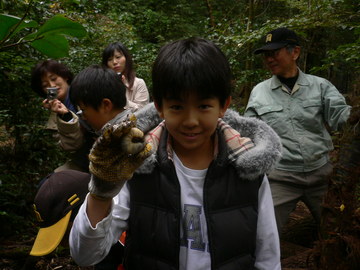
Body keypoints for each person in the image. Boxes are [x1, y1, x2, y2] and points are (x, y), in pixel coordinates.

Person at [69, 37, 282, 269]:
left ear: (224, 105)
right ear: (159, 106)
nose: (191, 121)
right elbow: (86, 255)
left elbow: (267, 257)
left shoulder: (248, 170)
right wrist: (101, 191)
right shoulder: (136, 165)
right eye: (177, 107)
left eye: (203, 106)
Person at [244, 27, 352, 236]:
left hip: (321, 174)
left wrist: (354, 115)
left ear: (295, 52)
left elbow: (341, 117)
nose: (269, 59)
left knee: (338, 233)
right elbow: (250, 132)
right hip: (281, 177)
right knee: (263, 234)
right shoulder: (259, 92)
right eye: (266, 55)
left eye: (274, 52)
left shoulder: (320, 86)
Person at [31, 60, 96, 173]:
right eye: (45, 85)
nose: (52, 86)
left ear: (65, 76)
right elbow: (72, 146)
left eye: (54, 79)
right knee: (51, 183)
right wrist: (64, 115)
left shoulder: (86, 90)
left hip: (107, 150)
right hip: (84, 160)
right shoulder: (54, 118)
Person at [102, 41, 149, 111]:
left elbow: (143, 113)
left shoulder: (139, 83)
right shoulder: (102, 84)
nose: (114, 62)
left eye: (118, 57)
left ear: (126, 58)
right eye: (110, 59)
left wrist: (121, 95)